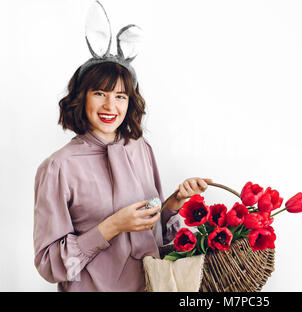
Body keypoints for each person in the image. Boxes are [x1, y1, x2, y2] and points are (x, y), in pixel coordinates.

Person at [33, 60, 212, 291]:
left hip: (152, 286)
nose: (110, 105)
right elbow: (48, 264)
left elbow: (153, 229)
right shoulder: (58, 167)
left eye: (120, 96)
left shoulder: (141, 148)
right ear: (81, 96)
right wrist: (112, 226)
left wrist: (175, 201)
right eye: (99, 93)